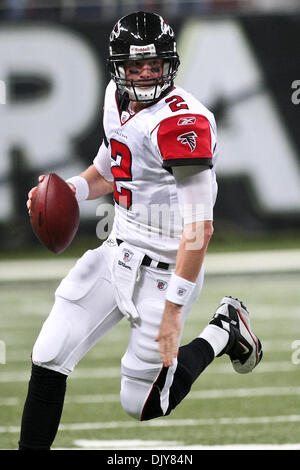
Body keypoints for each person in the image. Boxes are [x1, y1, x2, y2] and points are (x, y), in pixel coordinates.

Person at [19, 11, 262, 450]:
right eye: (136, 66)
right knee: (48, 353)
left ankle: (223, 330)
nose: (147, 75)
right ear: (118, 68)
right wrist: (68, 190)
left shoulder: (182, 123)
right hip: (118, 251)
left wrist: (173, 312)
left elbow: (199, 230)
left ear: (171, 64)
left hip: (168, 269)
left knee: (144, 403)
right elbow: (111, 167)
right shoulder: (116, 96)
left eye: (155, 66)